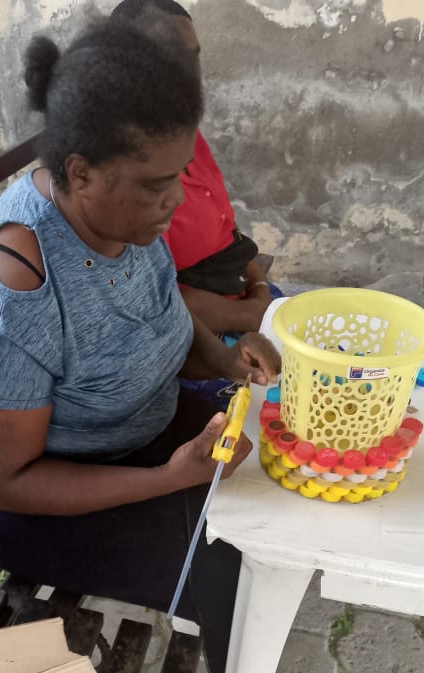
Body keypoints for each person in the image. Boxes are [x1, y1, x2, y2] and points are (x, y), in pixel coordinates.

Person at [0, 18, 339, 673]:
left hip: (130, 430)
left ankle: (240, 661)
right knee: (227, 553)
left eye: (179, 175)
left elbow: (163, 316)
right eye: (155, 184)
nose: (175, 201)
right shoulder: (12, 290)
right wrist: (166, 479)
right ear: (80, 173)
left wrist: (226, 361)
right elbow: (4, 479)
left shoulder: (120, 218)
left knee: (281, 476)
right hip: (28, 498)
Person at [112, 0, 281, 405]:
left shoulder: (186, 135)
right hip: (201, 335)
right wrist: (254, 313)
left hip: (243, 305)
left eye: (193, 58)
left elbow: (228, 235)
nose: (188, 75)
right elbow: (154, 301)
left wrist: (260, 289)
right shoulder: (122, 172)